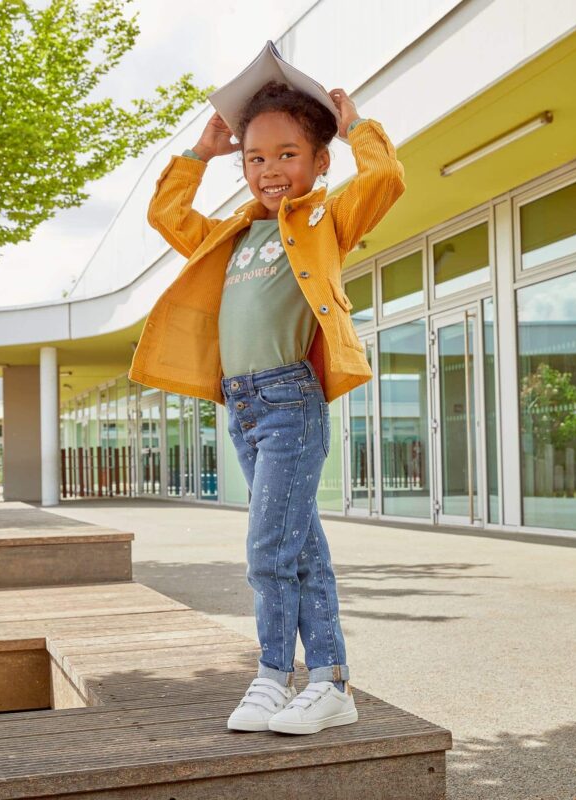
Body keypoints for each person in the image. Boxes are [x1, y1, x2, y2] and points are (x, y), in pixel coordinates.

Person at [132, 80, 406, 735]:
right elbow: (168, 216)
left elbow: (387, 179)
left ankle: (272, 676)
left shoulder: (323, 220)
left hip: (291, 405)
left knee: (267, 552)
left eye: (287, 155)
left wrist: (355, 123)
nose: (270, 170)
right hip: (244, 409)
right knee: (300, 549)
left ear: (320, 162)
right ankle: (331, 682)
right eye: (255, 158)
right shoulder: (231, 236)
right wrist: (201, 150)